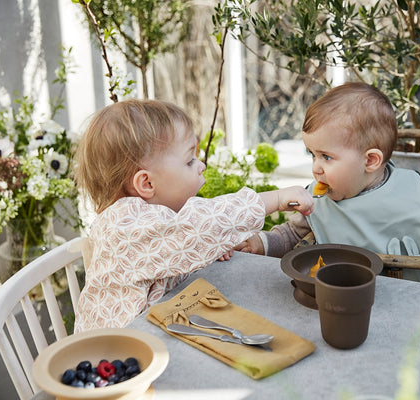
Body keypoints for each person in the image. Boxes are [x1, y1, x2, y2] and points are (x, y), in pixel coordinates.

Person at [73, 99, 314, 332]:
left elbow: (179, 245)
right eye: (189, 161)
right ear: (146, 183)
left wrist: (207, 246)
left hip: (152, 336)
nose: (201, 166)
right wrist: (275, 199)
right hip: (111, 359)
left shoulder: (159, 220)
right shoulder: (125, 226)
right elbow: (200, 223)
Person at [236, 82, 420, 282]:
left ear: (371, 160)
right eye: (312, 154)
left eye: (326, 157)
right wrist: (261, 243)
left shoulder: (412, 189)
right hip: (335, 295)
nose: (315, 167)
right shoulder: (316, 200)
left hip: (407, 297)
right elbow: (290, 235)